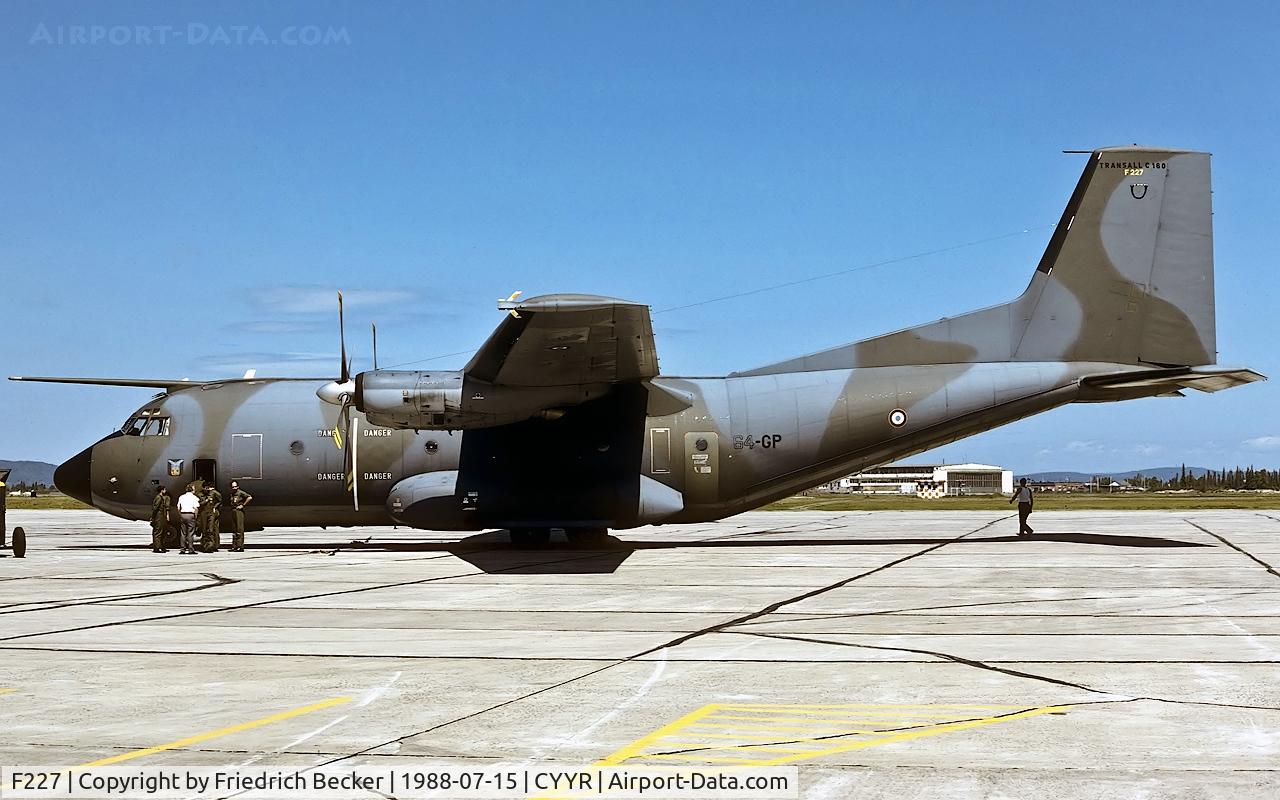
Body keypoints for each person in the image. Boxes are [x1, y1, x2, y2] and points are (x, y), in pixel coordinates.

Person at [227, 481, 253, 552]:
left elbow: (249, 497)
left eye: (235, 486)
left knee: (239, 529)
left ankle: (240, 546)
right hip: (233, 510)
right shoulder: (232, 494)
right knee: (234, 529)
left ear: (238, 486)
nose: (234, 488)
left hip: (239, 511)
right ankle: (234, 546)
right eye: (232, 487)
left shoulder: (240, 493)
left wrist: (243, 505)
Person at [176, 485, 200, 554]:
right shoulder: (194, 498)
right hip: (190, 515)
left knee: (183, 533)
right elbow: (196, 508)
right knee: (190, 533)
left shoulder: (181, 497)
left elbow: (178, 508)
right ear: (192, 490)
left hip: (183, 514)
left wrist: (180, 514)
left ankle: (182, 549)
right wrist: (195, 516)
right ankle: (190, 549)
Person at [200, 483, 223, 552]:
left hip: (212, 513)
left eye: (208, 488)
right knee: (206, 529)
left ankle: (212, 545)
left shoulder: (214, 493)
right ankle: (207, 545)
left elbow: (220, 501)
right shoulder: (202, 495)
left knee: (212, 529)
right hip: (206, 513)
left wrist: (215, 508)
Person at [150, 486, 171, 553]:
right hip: (159, 516)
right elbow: (155, 508)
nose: (165, 490)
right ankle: (157, 547)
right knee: (158, 532)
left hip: (161, 515)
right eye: (164, 489)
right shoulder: (159, 498)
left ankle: (161, 546)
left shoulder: (161, 497)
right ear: (161, 490)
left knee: (162, 531)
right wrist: (153, 517)